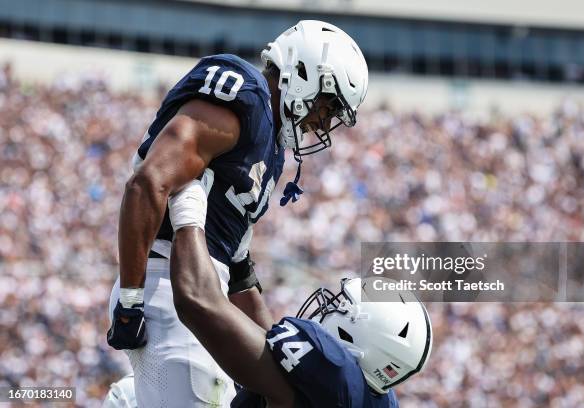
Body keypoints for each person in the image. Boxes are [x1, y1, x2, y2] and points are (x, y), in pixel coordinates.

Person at [106, 20, 369, 407]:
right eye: (327, 106)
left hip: (205, 295)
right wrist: (131, 298)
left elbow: (237, 275)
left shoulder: (271, 143)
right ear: (303, 74)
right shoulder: (244, 97)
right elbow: (146, 183)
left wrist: (282, 354)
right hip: (171, 287)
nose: (323, 122)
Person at [104, 179, 432, 407]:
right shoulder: (361, 391)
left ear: (363, 338)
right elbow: (267, 341)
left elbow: (197, 302)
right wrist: (241, 267)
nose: (327, 308)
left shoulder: (330, 385)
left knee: (129, 396)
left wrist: (188, 215)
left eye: (340, 308)